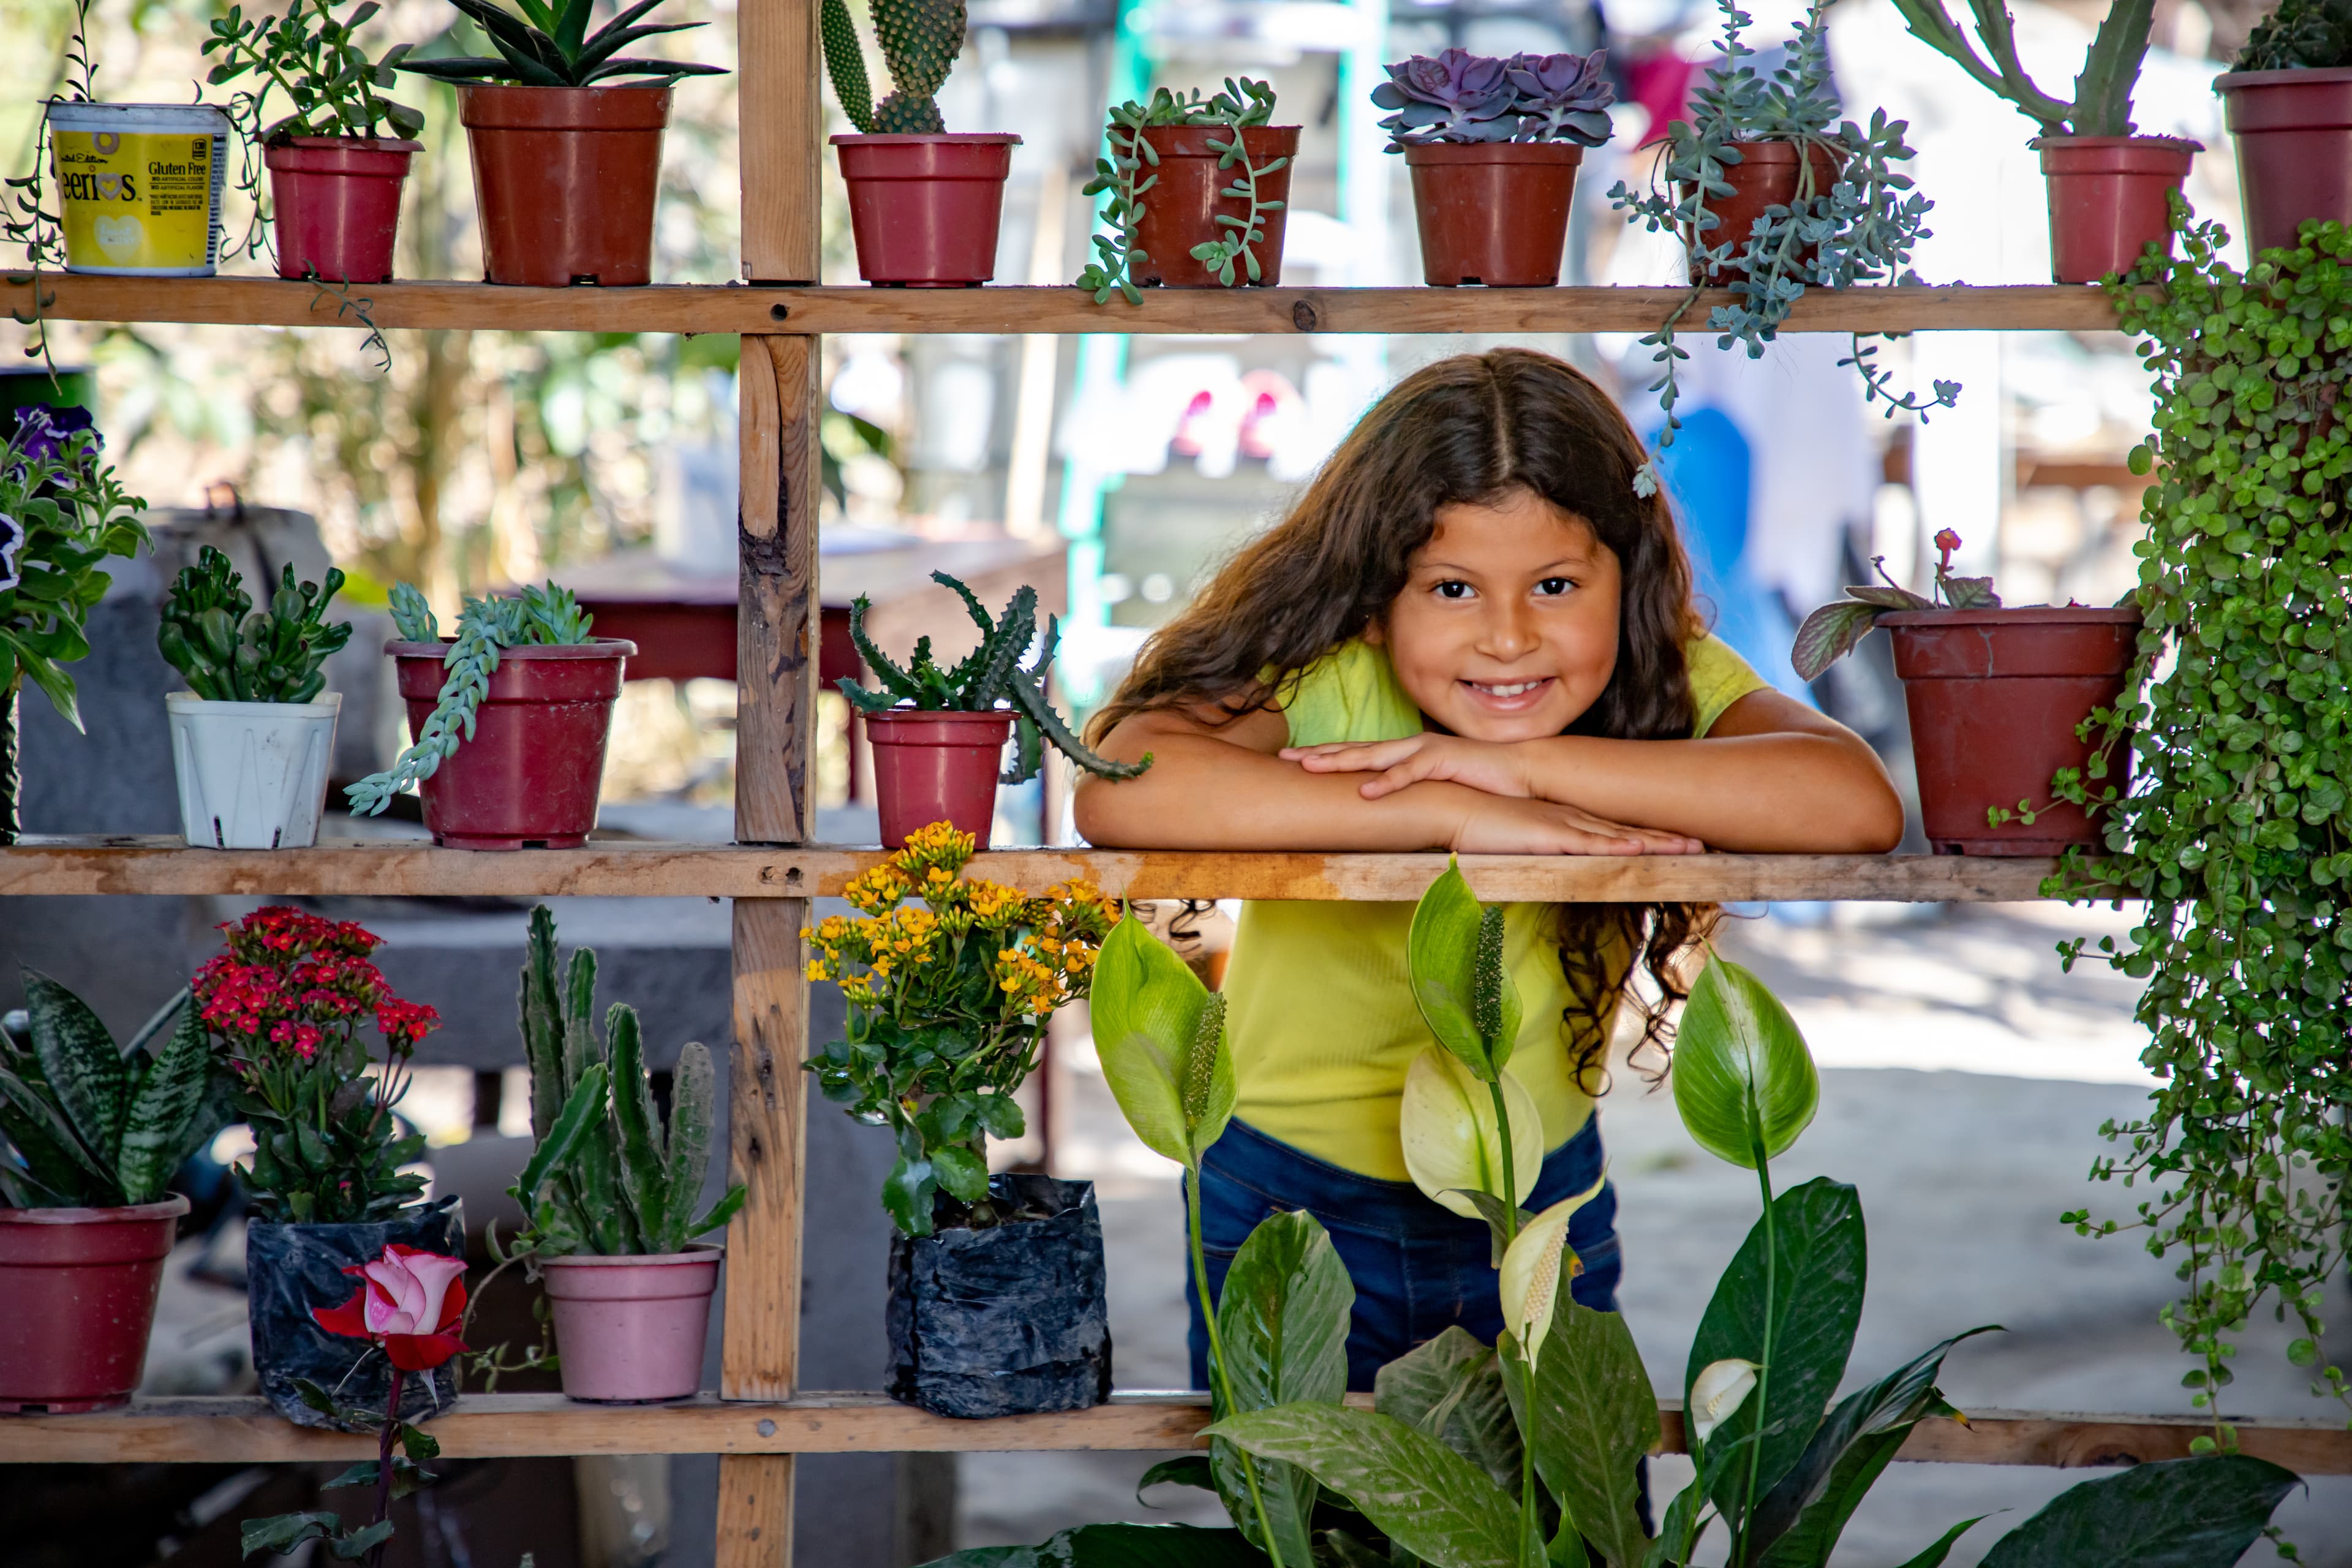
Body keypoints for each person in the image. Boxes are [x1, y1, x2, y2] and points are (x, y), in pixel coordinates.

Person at [1074, 348, 1904, 1391]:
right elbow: (1122, 783)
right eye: (1454, 588)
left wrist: (1520, 766)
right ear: (1377, 598)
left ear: (1627, 580)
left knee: (1573, 1531)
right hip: (1289, 1206)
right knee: (1309, 1539)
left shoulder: (1659, 677)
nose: (1508, 638)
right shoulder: (1335, 676)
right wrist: (1455, 812)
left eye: (1555, 585)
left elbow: (1852, 800)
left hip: (1546, 1203)